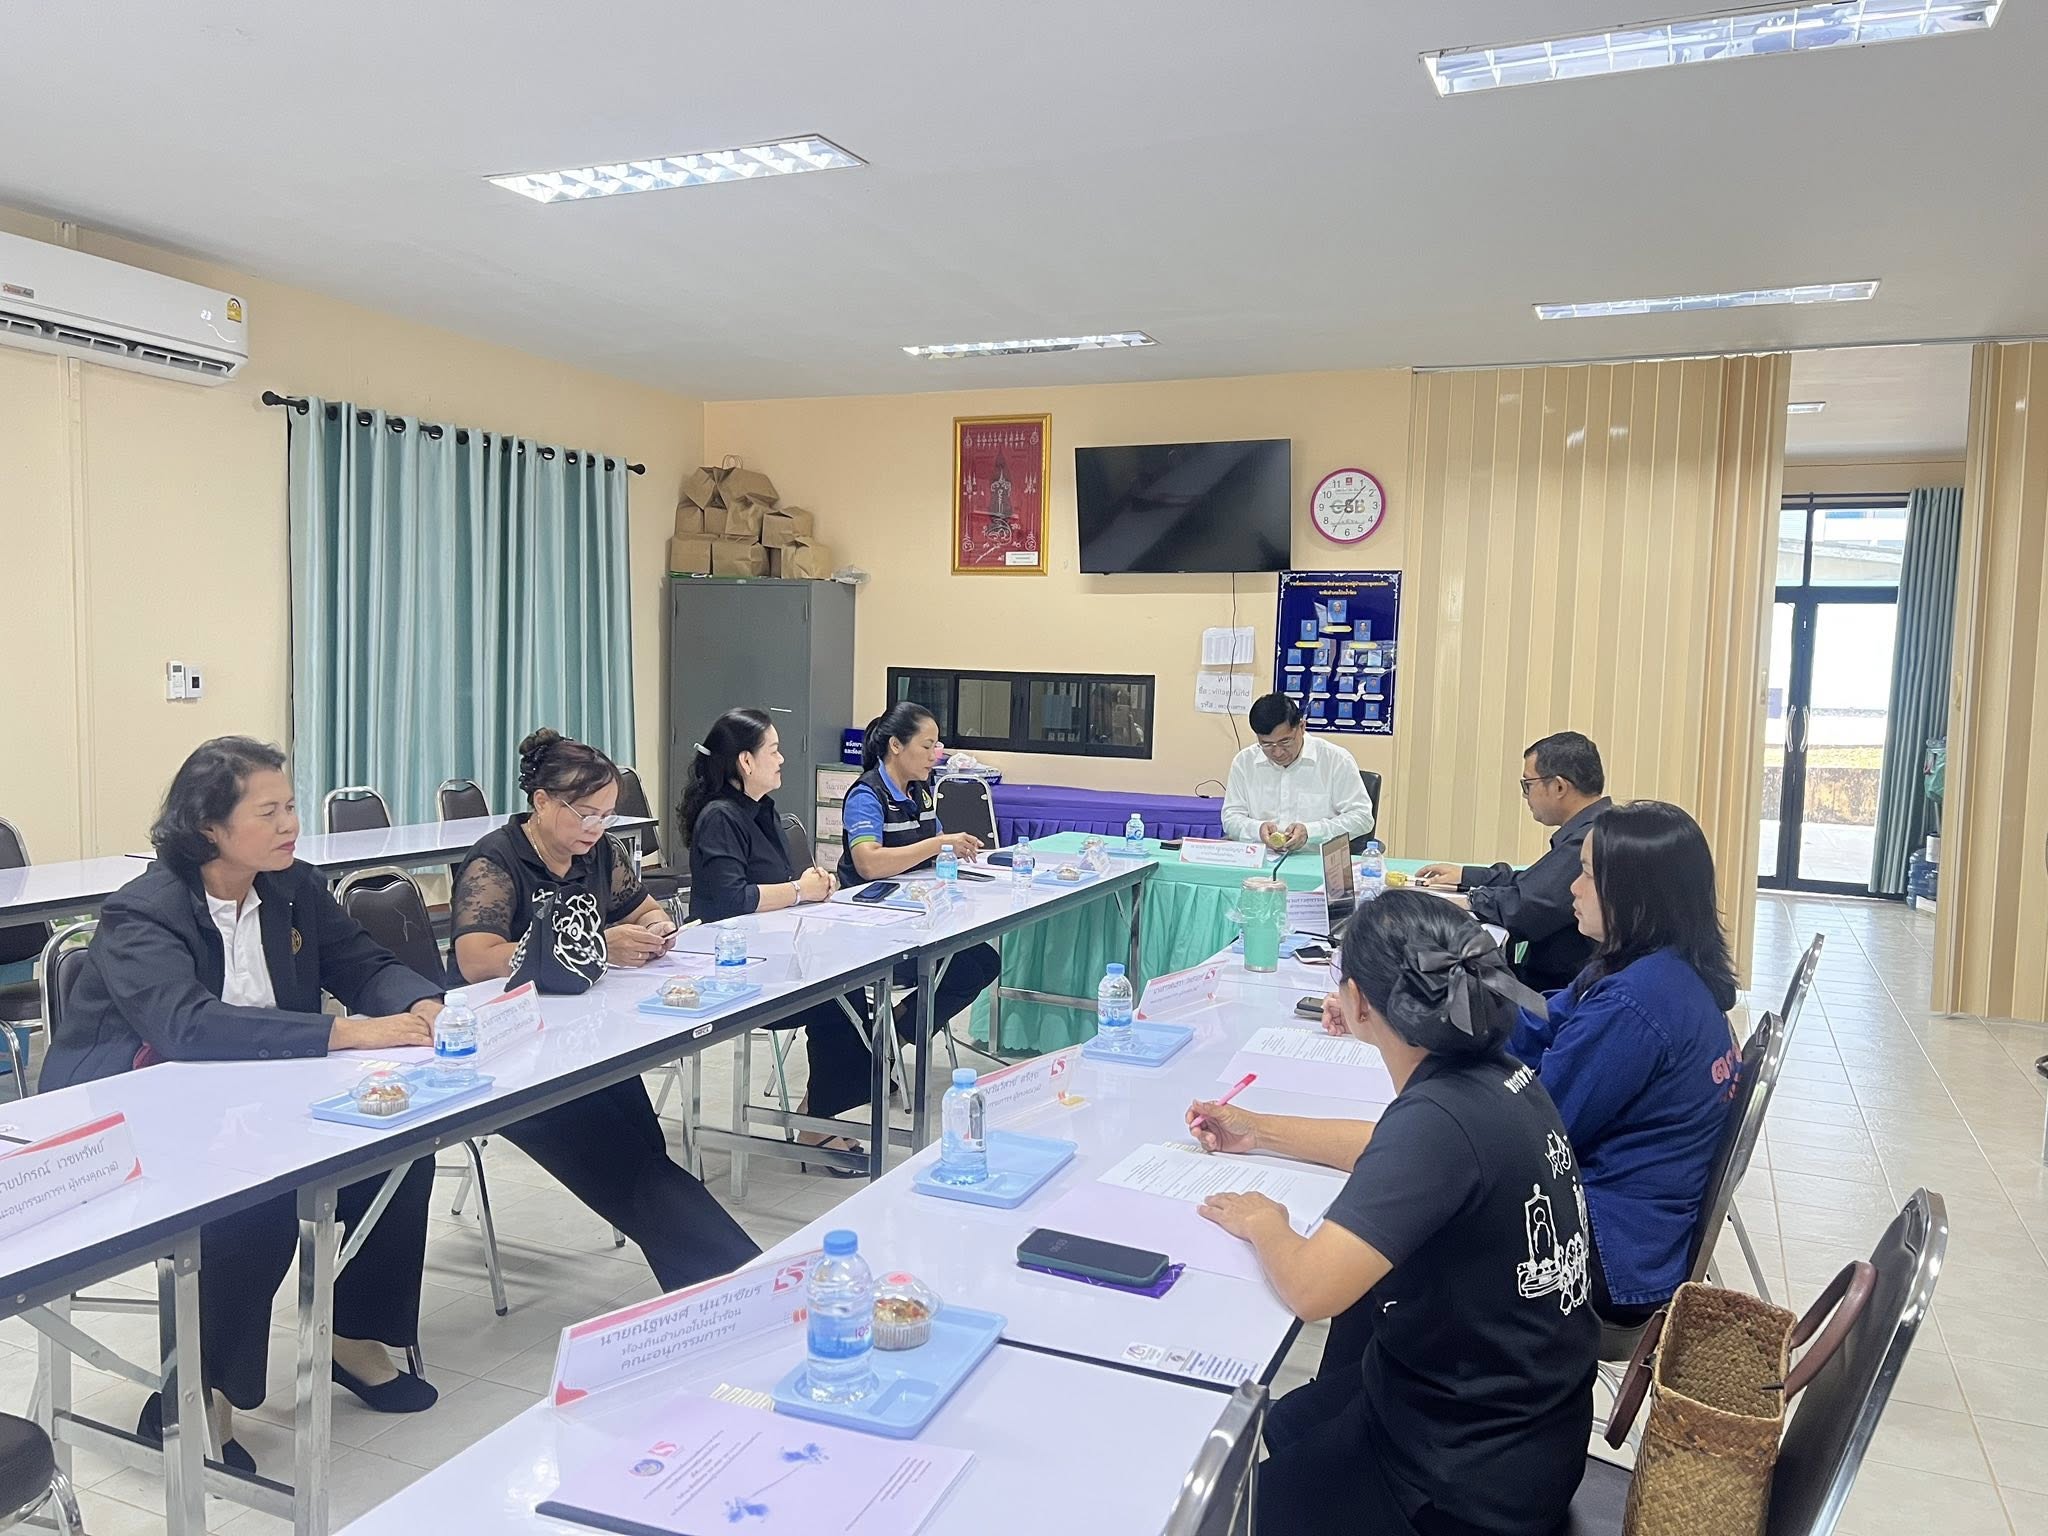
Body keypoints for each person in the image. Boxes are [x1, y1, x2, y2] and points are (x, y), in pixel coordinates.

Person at [41, 738, 443, 1471]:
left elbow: (362, 962)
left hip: (258, 1089)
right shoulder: (143, 912)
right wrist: (346, 1032)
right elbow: (186, 1027)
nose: (291, 824)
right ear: (208, 828)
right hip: (130, 1113)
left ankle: (351, 1337)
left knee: (398, 1150)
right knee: (251, 1203)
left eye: (291, 806)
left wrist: (422, 1003)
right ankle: (193, 1393)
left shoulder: (294, 886)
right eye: (270, 811)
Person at [1185, 891, 1597, 1536]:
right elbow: (1392, 1146)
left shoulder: (1437, 1120)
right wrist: (1259, 1130)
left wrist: (1266, 1222)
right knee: (1296, 1419)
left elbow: (1313, 1289)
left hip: (1463, 1472)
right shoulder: (1497, 1075)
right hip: (1527, 1418)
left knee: (1222, 1511)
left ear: (1356, 1002)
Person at [450, 728, 760, 1289]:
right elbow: (476, 958)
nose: (596, 828)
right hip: (514, 1055)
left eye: (607, 816)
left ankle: (711, 1291)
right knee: (634, 1170)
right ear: (541, 802)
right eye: (585, 814)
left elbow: (641, 908)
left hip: (584, 1037)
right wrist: (594, 944)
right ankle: (739, 1283)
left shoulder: (601, 853)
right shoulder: (497, 861)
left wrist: (658, 928)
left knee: (646, 1153)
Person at [1506, 800, 1742, 1323]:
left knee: (1406, 1236)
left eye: (1587, 873)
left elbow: (1537, 1132)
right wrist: (1469, 1000)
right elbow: (1548, 1017)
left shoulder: (1634, 1005)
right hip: (1634, 1229)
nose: (1573, 887)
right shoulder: (1659, 966)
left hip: (1611, 1253)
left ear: (1637, 894)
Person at [682, 707, 873, 1168]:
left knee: (849, 993)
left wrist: (809, 884)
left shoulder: (762, 810)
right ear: (745, 762)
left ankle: (818, 1115)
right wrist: (796, 891)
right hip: (730, 964)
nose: (783, 759)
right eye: (773, 750)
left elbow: (777, 883)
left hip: (772, 948)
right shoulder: (720, 817)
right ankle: (816, 1126)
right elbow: (729, 899)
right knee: (838, 1004)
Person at [836, 702, 1000, 1038]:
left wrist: (958, 854)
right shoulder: (867, 795)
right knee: (965, 971)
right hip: (870, 930)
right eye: (927, 746)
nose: (935, 755)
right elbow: (868, 863)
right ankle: (879, 1046)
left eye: (937, 746)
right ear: (896, 745)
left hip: (914, 917)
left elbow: (939, 847)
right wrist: (938, 846)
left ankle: (888, 1034)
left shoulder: (921, 794)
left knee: (985, 962)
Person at [1416, 730, 1610, 992]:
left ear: (1560, 787)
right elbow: (1534, 882)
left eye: (1528, 785)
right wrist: (1466, 876)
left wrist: (1464, 901)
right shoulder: (1591, 826)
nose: (1525, 796)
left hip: (1555, 986)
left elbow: (1526, 906)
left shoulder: (1589, 837)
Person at [1221, 693, 1376, 853]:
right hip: (1259, 859)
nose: (1278, 752)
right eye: (1267, 744)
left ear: (1302, 727)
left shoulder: (1335, 760)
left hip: (1316, 861)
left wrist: (1311, 832)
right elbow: (1230, 817)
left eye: (1285, 742)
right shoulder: (1244, 762)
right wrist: (1256, 829)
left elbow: (1362, 818)